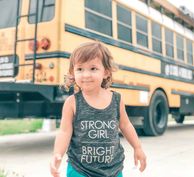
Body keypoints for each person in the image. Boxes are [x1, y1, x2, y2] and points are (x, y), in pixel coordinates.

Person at [50, 41, 146, 177]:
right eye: (80, 69)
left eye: (93, 68)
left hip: (113, 169)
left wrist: (138, 147)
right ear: (73, 73)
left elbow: (125, 125)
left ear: (106, 72)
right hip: (80, 169)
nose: (86, 75)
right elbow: (65, 132)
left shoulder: (116, 100)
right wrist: (57, 154)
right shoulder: (72, 103)